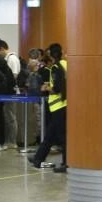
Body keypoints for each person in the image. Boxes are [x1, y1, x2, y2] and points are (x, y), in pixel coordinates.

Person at [29, 43, 68, 173]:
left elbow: (57, 88)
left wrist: (46, 87)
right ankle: (38, 157)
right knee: (50, 134)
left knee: (62, 136)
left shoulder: (56, 67)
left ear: (51, 54)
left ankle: (66, 163)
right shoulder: (65, 64)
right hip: (63, 105)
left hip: (59, 106)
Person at [0, 37, 21, 150]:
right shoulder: (5, 59)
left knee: (10, 117)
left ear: (1, 48)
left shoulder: (12, 59)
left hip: (10, 93)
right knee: (6, 117)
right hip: (6, 93)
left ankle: (12, 141)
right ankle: (7, 141)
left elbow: (13, 76)